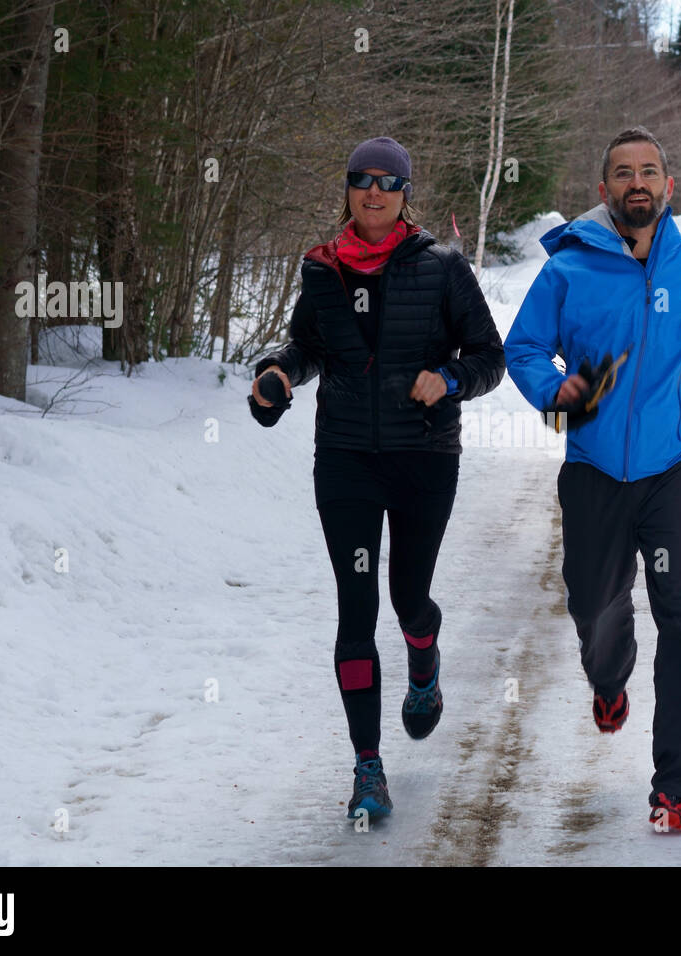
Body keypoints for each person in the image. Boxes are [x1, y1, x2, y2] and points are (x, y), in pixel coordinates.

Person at [504, 126, 681, 833]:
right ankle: (608, 679)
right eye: (622, 173)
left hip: (674, 471)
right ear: (603, 190)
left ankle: (676, 787)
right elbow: (522, 347)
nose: (636, 182)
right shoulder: (570, 271)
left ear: (669, 188)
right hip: (593, 472)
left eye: (649, 171)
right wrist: (556, 392)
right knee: (595, 607)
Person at [250, 136, 505, 821]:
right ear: (348, 189)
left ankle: (425, 657)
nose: (373, 192)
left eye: (387, 183)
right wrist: (279, 375)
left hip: (423, 457)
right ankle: (368, 766)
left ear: (404, 195)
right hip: (347, 459)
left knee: (408, 597)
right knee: (356, 608)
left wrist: (448, 378)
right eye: (361, 180)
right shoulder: (322, 268)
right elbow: (307, 347)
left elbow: (491, 356)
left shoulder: (443, 268)